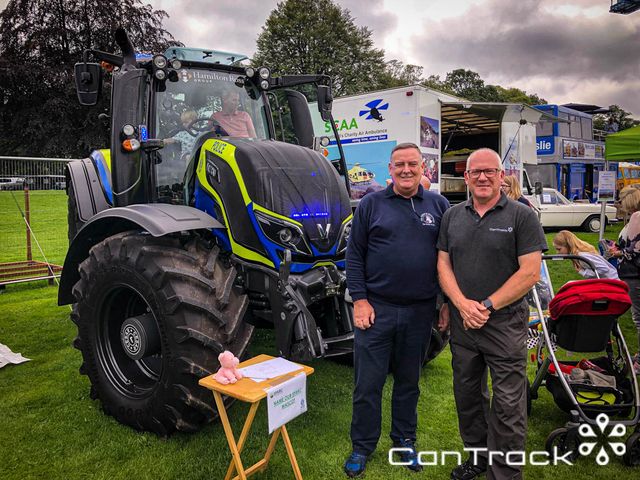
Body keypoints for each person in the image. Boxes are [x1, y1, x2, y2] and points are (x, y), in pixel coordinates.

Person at [437, 148, 547, 480]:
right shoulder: (452, 216)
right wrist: (461, 304)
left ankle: (504, 473)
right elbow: (443, 264)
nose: (483, 177)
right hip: (464, 325)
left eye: (490, 171)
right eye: (476, 172)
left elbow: (529, 273)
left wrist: (485, 305)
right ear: (466, 178)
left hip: (505, 324)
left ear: (502, 176)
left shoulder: (521, 216)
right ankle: (478, 459)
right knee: (468, 397)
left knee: (509, 405)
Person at [344, 143, 450, 477]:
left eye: (413, 164)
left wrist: (445, 303)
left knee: (409, 383)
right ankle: (362, 446)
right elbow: (354, 255)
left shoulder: (439, 205)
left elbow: (448, 259)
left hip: (420, 312)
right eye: (399, 164)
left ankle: (404, 441)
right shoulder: (371, 204)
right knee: (368, 384)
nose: (406, 170)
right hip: (376, 310)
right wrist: (359, 300)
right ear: (390, 169)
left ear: (423, 168)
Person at [609, 186, 640, 374]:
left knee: (639, 318)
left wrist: (618, 251)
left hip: (634, 274)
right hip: (634, 273)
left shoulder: (637, 218)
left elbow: (634, 250)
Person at [553, 230, 619, 279]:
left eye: (559, 249)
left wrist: (583, 272)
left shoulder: (582, 256)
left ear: (568, 245)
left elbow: (604, 268)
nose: (557, 252)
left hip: (613, 283)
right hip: (606, 282)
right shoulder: (578, 256)